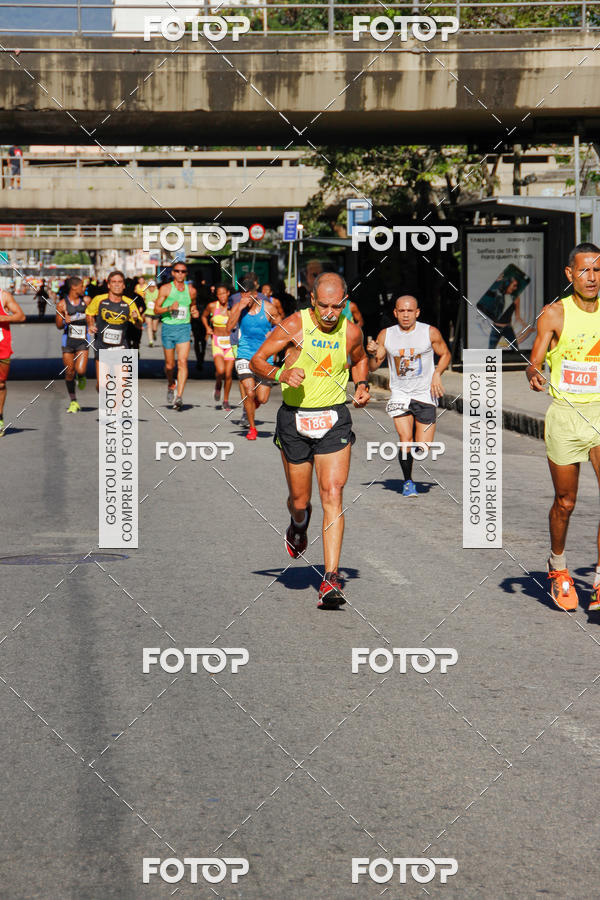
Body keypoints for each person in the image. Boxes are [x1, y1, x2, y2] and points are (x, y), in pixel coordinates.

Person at [251, 272, 370, 609]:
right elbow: (256, 360)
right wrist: (281, 374)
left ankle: (330, 577)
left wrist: (361, 386)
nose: (330, 313)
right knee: (300, 500)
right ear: (313, 302)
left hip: (334, 419)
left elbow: (360, 360)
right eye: (324, 307)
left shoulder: (351, 330)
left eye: (337, 306)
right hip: (295, 420)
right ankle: (298, 523)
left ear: (344, 303)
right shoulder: (294, 325)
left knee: (333, 493)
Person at [527, 242, 600, 612]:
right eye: (584, 270)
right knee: (566, 502)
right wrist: (534, 372)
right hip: (566, 416)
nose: (592, 277)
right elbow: (535, 360)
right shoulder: (555, 314)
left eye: (597, 270)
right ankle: (557, 566)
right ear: (570, 274)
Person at [367, 295, 451, 497]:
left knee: (422, 448)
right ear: (395, 313)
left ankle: (415, 440)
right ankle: (408, 482)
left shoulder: (429, 332)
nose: (406, 315)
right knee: (405, 438)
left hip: (425, 393)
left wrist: (437, 374)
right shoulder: (386, 335)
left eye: (410, 311)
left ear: (417, 312)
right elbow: (372, 367)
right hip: (400, 394)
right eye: (401, 311)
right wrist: (372, 353)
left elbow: (446, 354)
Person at [227, 281, 281, 439]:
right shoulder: (239, 307)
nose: (245, 297)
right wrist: (239, 308)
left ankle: (254, 403)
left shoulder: (269, 308)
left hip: (264, 355)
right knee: (249, 392)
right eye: (242, 294)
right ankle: (252, 428)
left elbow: (281, 326)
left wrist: (272, 333)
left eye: (247, 294)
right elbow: (229, 327)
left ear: (255, 294)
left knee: (262, 398)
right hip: (244, 353)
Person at [85, 270, 143, 391]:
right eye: (114, 282)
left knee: (122, 385)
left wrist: (136, 319)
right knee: (102, 386)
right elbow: (89, 313)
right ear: (109, 284)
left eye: (120, 282)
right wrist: (91, 324)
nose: (117, 284)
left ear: (123, 285)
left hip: (121, 346)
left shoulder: (129, 303)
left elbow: (139, 325)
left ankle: (115, 410)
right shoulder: (99, 300)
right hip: (102, 346)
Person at [154, 263, 199, 410]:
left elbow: (193, 305)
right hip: (168, 328)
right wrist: (168, 308)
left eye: (183, 271)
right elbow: (156, 309)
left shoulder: (191, 290)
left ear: (186, 273)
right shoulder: (165, 288)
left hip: (184, 328)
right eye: (177, 271)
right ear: (173, 273)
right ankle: (170, 383)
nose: (180, 274)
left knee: (182, 362)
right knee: (169, 366)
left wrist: (194, 311)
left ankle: (179, 396)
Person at [55, 276, 90, 413]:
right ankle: (73, 401)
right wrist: (64, 320)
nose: (84, 288)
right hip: (68, 340)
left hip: (82, 339)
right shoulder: (62, 304)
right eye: (82, 286)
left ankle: (81, 376)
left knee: (80, 370)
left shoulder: (86, 301)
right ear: (74, 287)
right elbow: (58, 325)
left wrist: (90, 323)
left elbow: (93, 317)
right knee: (69, 372)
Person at [201, 283, 235, 411]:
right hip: (217, 342)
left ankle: (226, 400)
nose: (222, 296)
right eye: (219, 294)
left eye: (224, 293)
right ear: (216, 295)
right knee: (220, 371)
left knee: (228, 374)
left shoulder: (233, 308)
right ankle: (218, 384)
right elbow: (203, 316)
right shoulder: (211, 306)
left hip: (230, 343)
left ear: (228, 293)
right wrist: (207, 328)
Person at [0, 287, 26, 436]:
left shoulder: (3, 296)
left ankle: (0, 417)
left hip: (2, 348)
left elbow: (21, 317)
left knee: (1, 384)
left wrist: (2, 318)